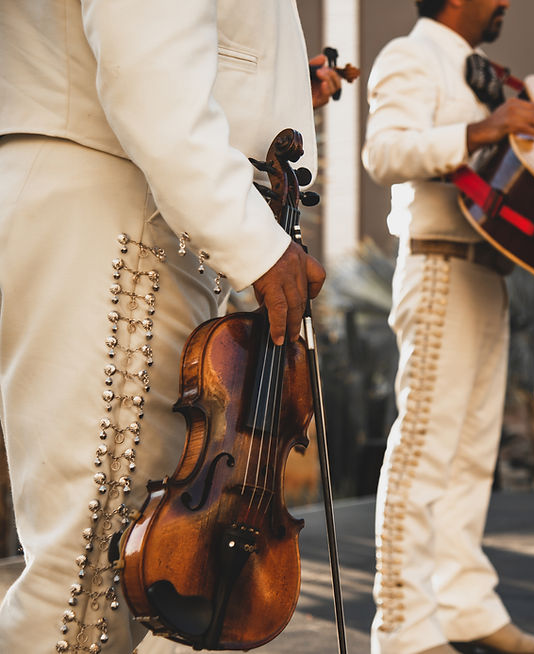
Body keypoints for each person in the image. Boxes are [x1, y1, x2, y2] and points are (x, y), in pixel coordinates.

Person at [0, 3, 342, 653]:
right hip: (117, 197)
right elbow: (146, 67)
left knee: (128, 568)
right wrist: (255, 244)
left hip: (136, 201)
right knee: (91, 582)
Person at [361, 2, 534, 653]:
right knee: (424, 450)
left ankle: (465, 606)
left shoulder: (482, 74)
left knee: (473, 457)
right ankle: (402, 626)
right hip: (440, 266)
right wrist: (485, 129)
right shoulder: (409, 55)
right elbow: (383, 153)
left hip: (486, 275)